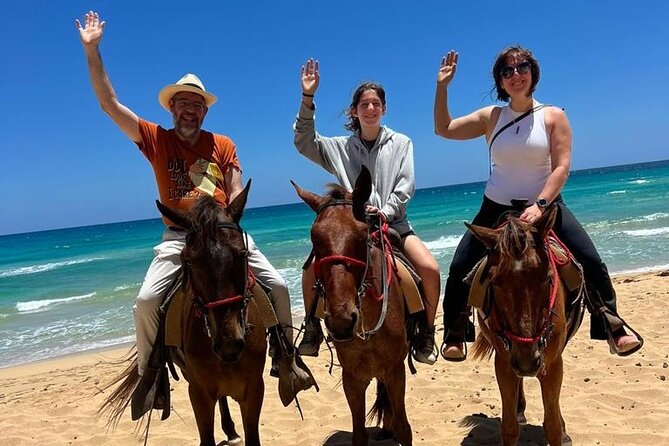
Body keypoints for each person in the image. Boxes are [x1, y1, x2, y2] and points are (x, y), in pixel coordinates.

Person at [75, 11, 316, 394]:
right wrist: (92, 51)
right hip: (180, 236)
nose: (190, 110)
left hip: (223, 231)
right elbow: (109, 103)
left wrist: (232, 217)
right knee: (146, 300)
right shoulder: (156, 139)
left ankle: (286, 357)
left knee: (279, 286)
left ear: (205, 110)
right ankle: (150, 375)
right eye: (183, 103)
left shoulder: (222, 144)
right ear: (172, 109)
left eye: (197, 105)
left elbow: (235, 185)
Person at [433, 46, 643, 361]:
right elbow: (443, 129)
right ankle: (456, 333)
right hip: (496, 208)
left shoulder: (553, 115)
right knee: (460, 264)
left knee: (589, 258)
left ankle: (611, 322)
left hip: (544, 209)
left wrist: (541, 204)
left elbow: (561, 167)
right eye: (507, 71)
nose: (516, 75)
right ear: (500, 82)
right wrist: (442, 87)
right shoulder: (491, 117)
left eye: (522, 68)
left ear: (533, 73)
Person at [293, 58, 441, 365]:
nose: (370, 108)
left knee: (429, 270)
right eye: (364, 104)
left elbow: (405, 184)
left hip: (393, 223)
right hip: (351, 227)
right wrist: (308, 98)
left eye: (376, 103)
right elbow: (304, 142)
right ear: (354, 111)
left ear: (384, 109)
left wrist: (386, 211)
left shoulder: (401, 143)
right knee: (310, 272)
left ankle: (426, 331)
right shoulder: (339, 147)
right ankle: (311, 328)